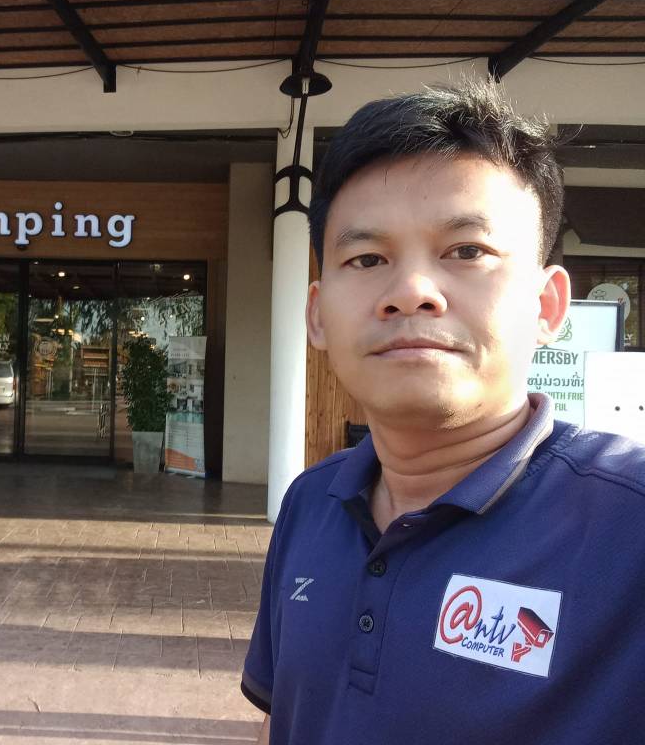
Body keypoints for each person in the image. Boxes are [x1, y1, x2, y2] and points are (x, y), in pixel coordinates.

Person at [242, 79, 645, 744]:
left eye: (467, 251)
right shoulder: (310, 503)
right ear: (317, 315)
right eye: (367, 258)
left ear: (547, 306)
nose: (411, 291)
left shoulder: (626, 530)